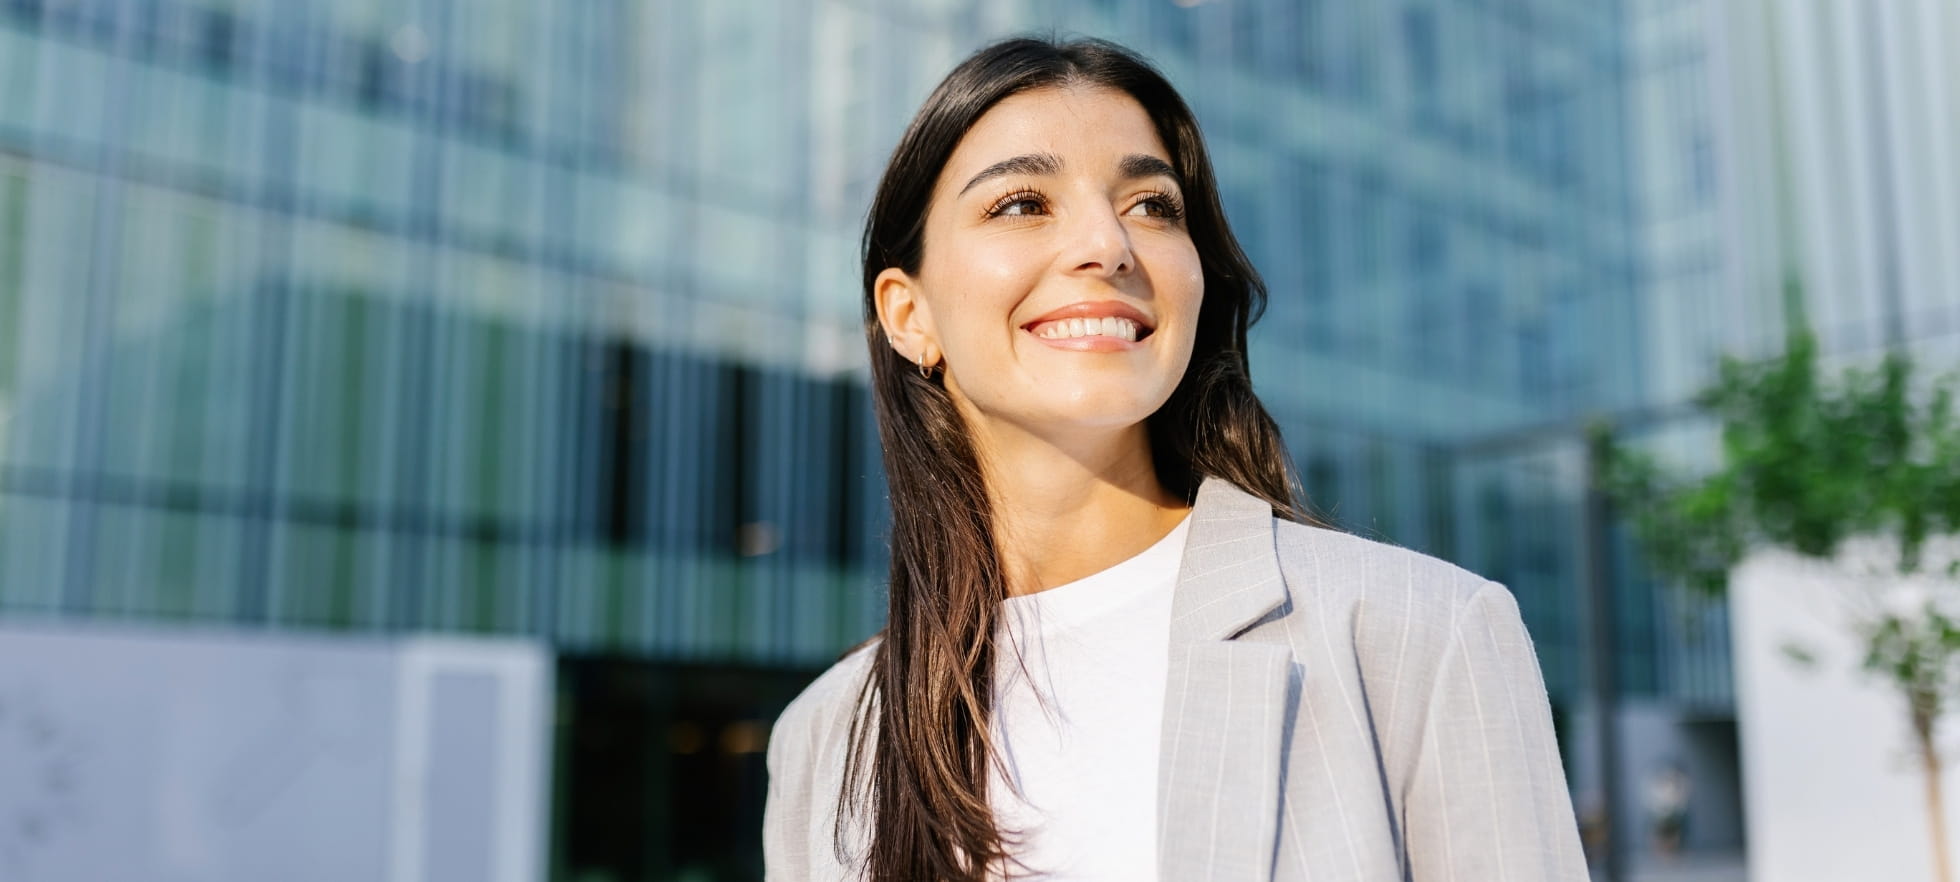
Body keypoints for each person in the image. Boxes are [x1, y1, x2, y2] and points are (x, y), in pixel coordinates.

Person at [763, 36, 1587, 882]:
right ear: (909, 316)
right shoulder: (825, 740)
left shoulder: (1423, 633)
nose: (1108, 245)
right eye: (1021, 203)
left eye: (1153, 205)